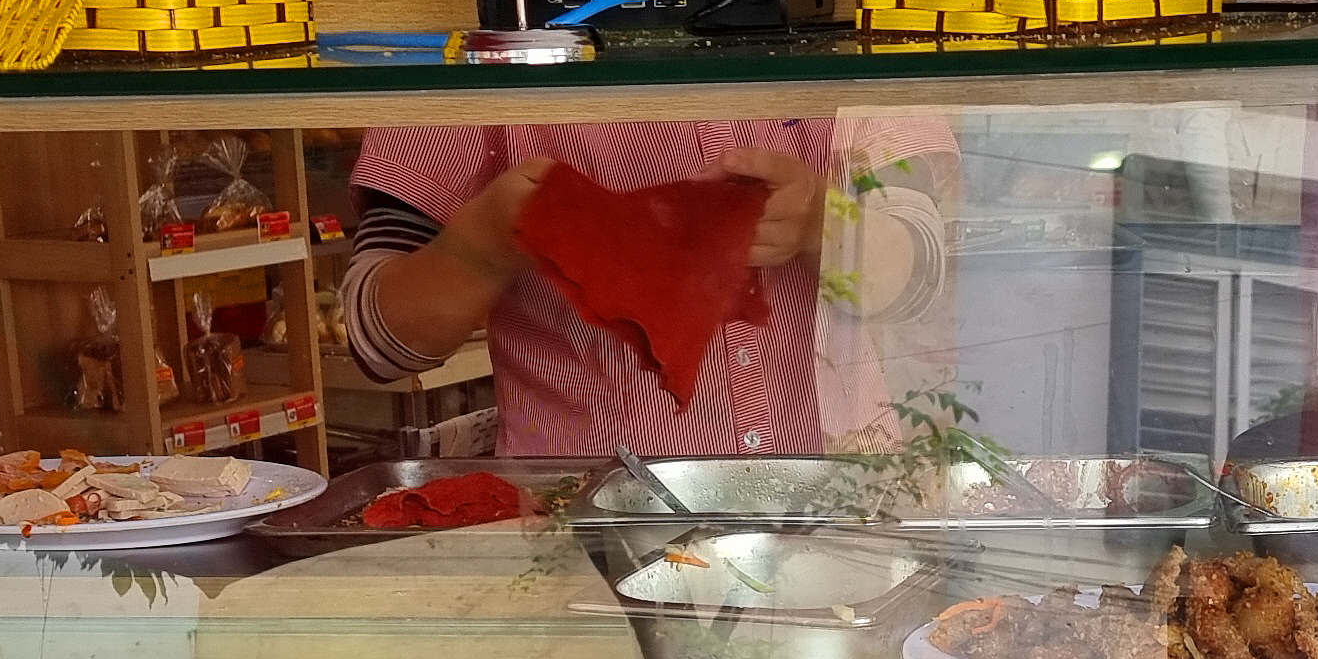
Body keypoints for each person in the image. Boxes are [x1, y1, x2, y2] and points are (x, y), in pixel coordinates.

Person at [341, 120, 955, 456]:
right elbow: (380, 341)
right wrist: (490, 234)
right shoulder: (494, 19)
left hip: (839, 503)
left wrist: (828, 224)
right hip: (593, 529)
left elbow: (923, 277)